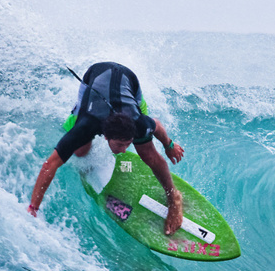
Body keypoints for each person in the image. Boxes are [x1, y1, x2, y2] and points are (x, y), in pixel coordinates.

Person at [27, 62, 186, 235]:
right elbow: (49, 164)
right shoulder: (87, 125)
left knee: (148, 153)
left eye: (128, 144)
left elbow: (157, 125)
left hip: (128, 80)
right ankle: (74, 114)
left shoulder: (138, 123)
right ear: (106, 136)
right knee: (80, 151)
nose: (125, 150)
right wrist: (33, 208)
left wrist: (169, 145)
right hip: (94, 77)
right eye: (119, 145)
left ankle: (174, 197)